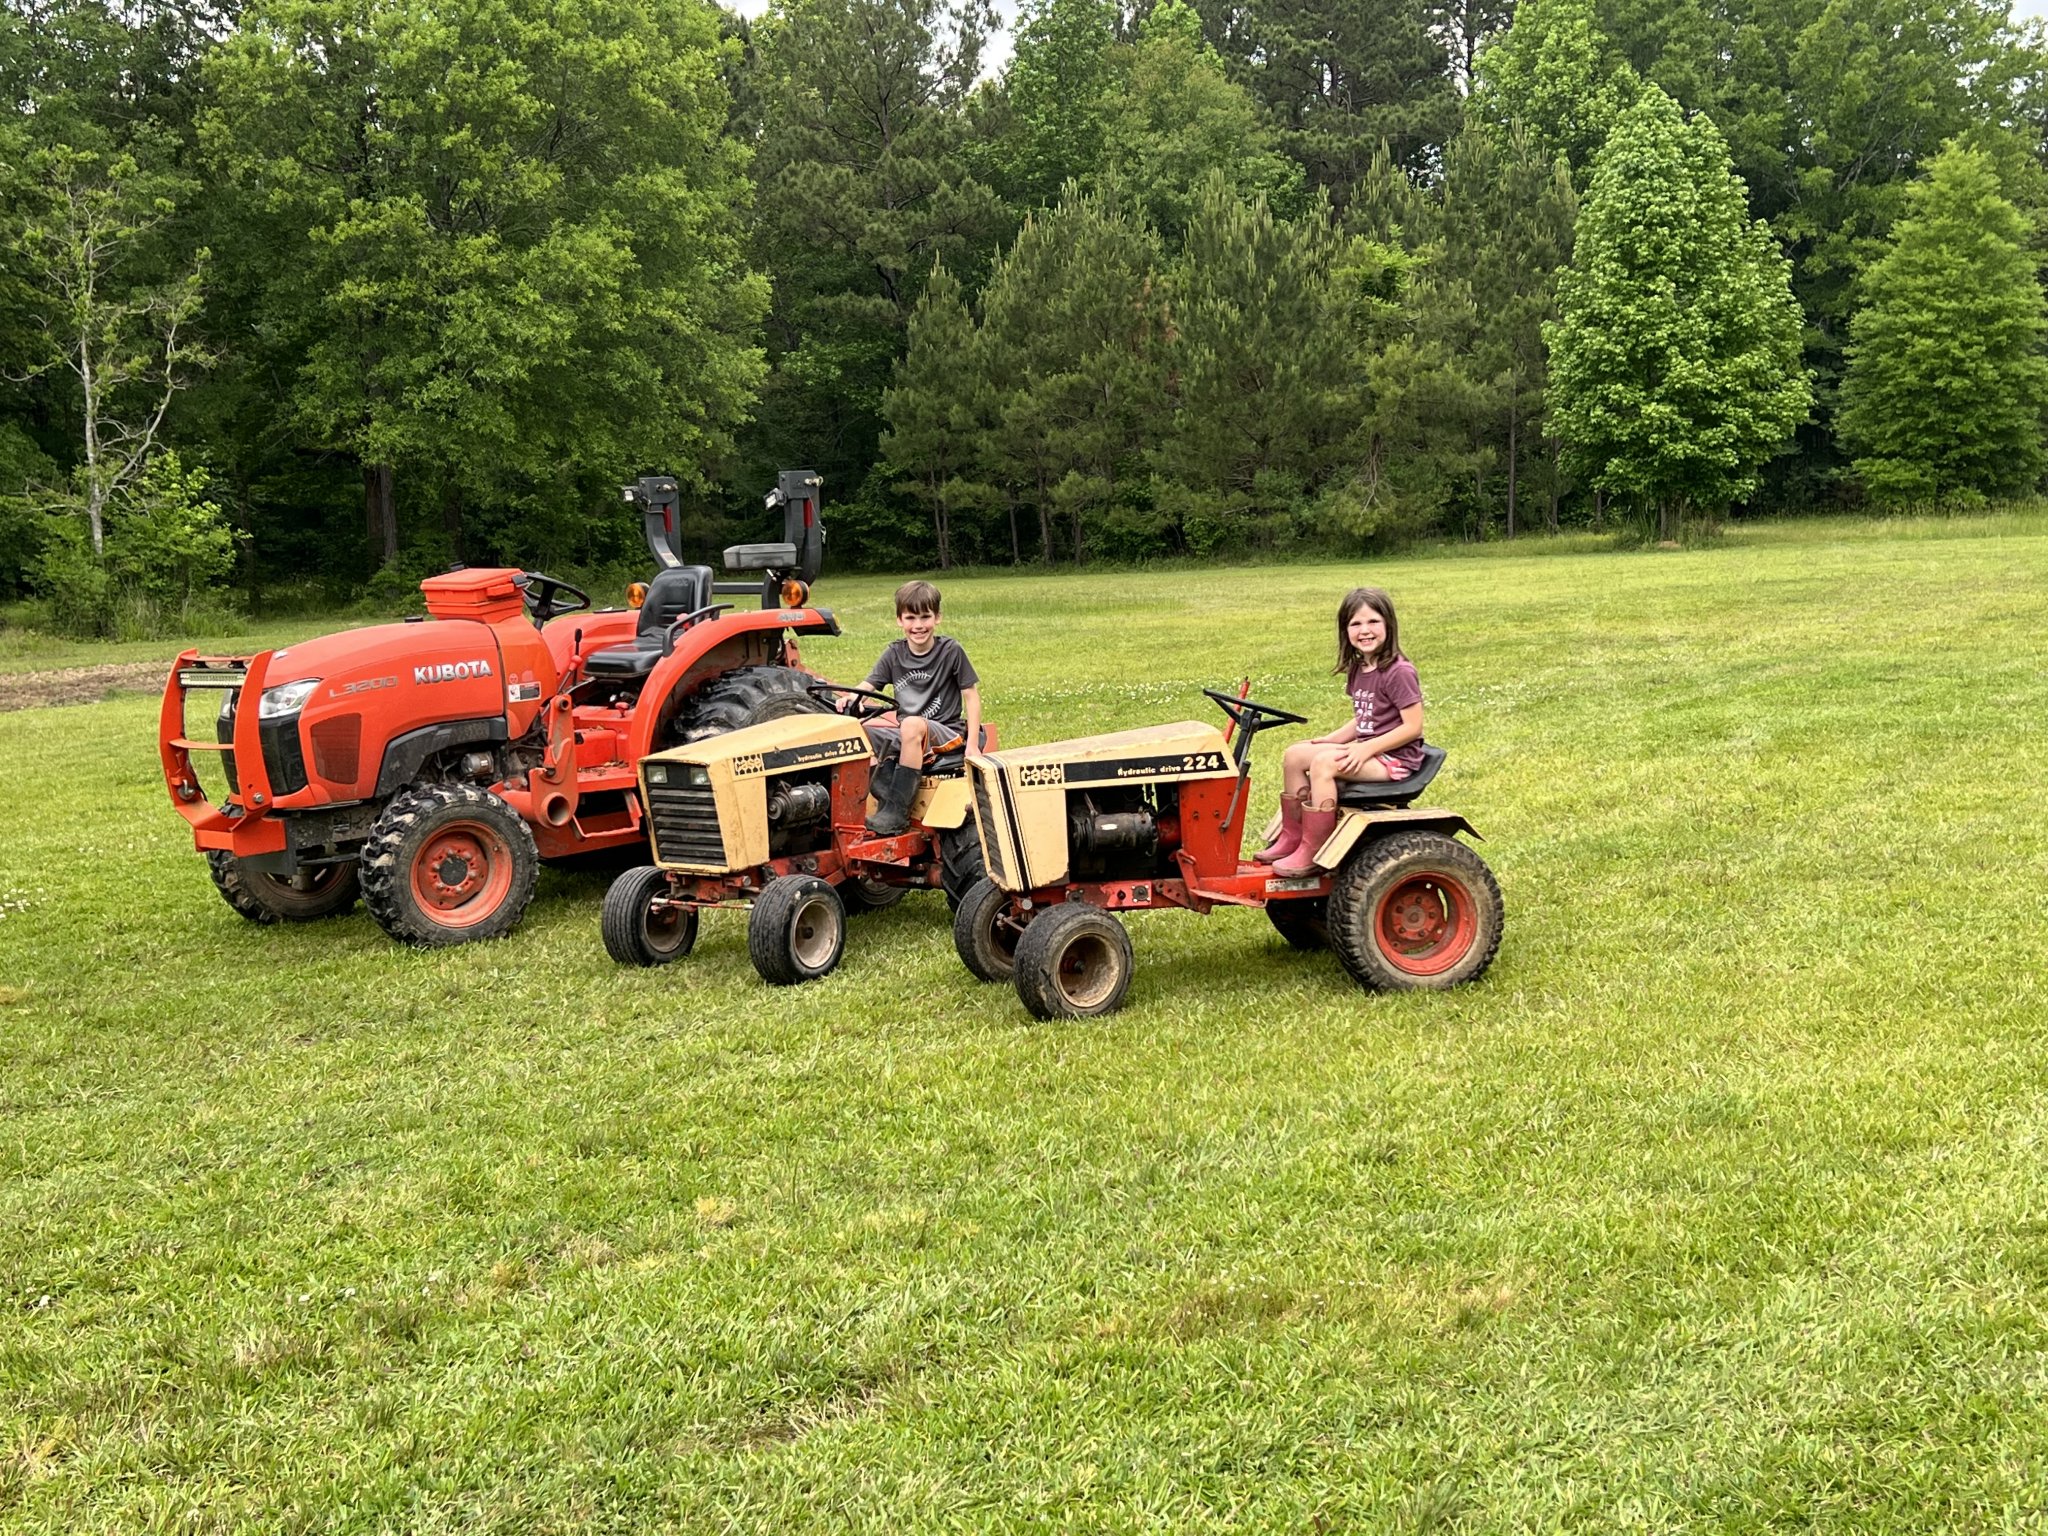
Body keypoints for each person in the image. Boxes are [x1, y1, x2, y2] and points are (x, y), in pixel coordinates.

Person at [1256, 587, 1426, 877]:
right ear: (1345, 630)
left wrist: (1365, 748)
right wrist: (1333, 739)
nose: (1365, 630)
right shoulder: (1360, 668)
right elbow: (1365, 716)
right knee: (1295, 755)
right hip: (1370, 750)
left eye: (1373, 621)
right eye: (1355, 624)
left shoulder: (1399, 672)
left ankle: (1316, 848)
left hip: (1394, 759)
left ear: (1388, 624)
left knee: (1324, 764)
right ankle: (1293, 836)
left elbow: (1413, 727)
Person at [849, 580, 983, 836]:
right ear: (899, 620)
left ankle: (896, 814)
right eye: (910, 618)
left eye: (925, 617)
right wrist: (851, 699)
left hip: (945, 732)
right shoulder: (894, 653)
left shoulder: (950, 651)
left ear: (937, 617)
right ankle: (888, 793)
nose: (918, 625)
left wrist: (973, 746)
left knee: (910, 723)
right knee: (852, 732)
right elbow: (867, 686)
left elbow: (971, 696)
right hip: (908, 734)